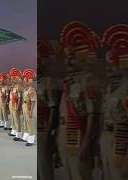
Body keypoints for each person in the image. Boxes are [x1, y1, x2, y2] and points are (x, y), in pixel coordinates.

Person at [100, 24, 128, 180]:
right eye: (108, 64)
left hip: (121, 143)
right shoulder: (110, 89)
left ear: (122, 65)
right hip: (107, 140)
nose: (108, 68)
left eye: (112, 65)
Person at [58, 21, 102, 180]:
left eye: (71, 57)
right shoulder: (68, 82)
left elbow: (93, 116)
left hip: (79, 136)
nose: (67, 61)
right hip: (65, 136)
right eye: (66, 57)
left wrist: (87, 144)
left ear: (80, 58)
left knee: (80, 174)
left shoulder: (88, 81)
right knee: (68, 173)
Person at [37, 36, 63, 180]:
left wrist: (49, 135)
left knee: (44, 165)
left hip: (43, 131)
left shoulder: (49, 83)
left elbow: (54, 110)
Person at [22, 69, 37, 146]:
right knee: (25, 122)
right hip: (24, 105)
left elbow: (33, 101)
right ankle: (26, 136)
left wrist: (31, 111)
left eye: (25, 81)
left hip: (29, 106)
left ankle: (31, 139)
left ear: (28, 82)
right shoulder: (25, 89)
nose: (24, 82)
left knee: (30, 123)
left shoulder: (31, 90)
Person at [8, 68, 23, 140]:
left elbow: (20, 98)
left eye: (13, 79)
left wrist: (18, 107)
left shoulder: (19, 87)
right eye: (12, 79)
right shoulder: (12, 87)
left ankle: (18, 134)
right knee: (13, 119)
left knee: (17, 120)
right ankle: (13, 131)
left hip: (16, 104)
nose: (12, 80)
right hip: (11, 104)